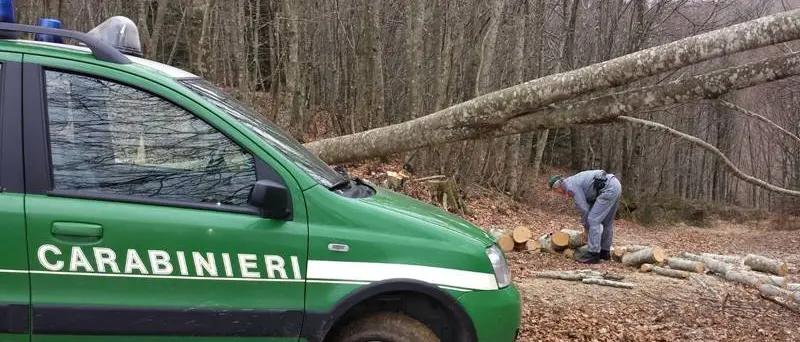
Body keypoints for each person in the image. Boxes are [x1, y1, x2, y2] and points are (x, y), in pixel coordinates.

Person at [549, 170, 621, 264]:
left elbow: (583, 208)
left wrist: (586, 227)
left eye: (556, 191)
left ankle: (593, 254)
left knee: (593, 220)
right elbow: (590, 200)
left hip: (607, 189)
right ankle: (605, 252)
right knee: (607, 222)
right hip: (615, 185)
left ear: (558, 187)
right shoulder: (573, 181)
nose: (559, 193)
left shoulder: (571, 186)